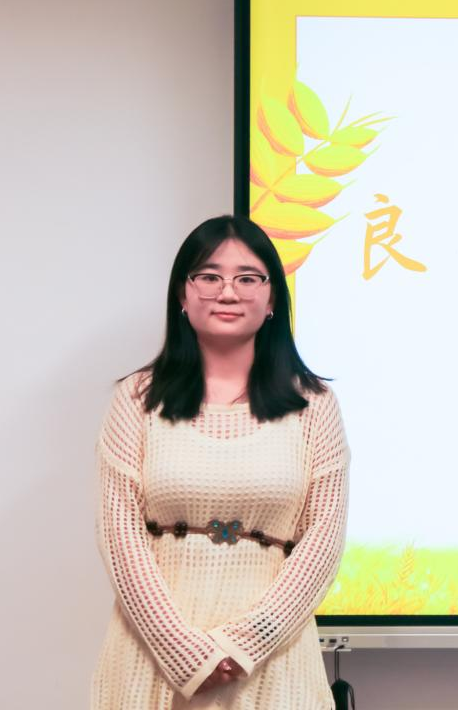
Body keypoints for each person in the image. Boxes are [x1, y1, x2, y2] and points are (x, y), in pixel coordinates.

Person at [90, 215, 349, 709]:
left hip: (273, 661)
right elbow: (120, 535)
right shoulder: (136, 399)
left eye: (247, 278)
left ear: (271, 300)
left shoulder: (314, 405)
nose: (227, 292)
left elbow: (322, 542)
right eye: (209, 276)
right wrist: (183, 651)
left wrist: (244, 645)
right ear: (182, 295)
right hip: (152, 657)